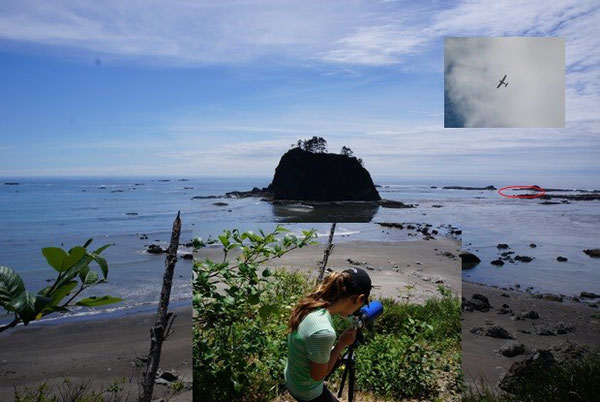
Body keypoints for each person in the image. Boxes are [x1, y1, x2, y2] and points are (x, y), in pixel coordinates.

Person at [284, 267, 372, 402]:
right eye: (361, 304)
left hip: (293, 379)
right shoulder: (324, 331)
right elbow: (318, 376)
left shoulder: (311, 305)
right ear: (359, 299)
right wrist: (341, 344)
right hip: (306, 392)